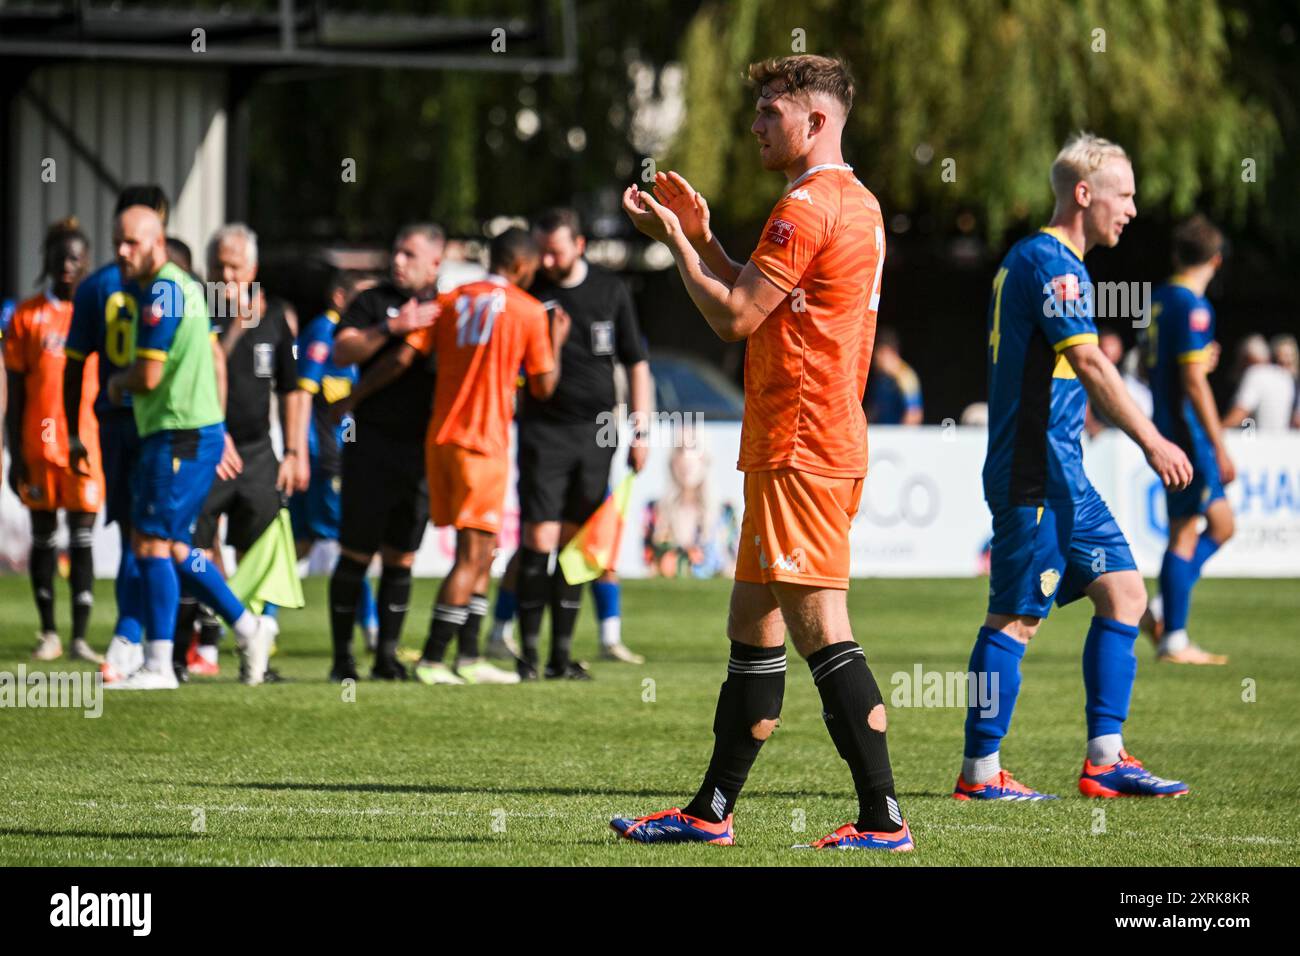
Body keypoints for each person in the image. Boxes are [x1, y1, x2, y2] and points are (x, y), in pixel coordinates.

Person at [615, 55, 912, 850]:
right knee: (754, 625)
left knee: (819, 626)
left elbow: (734, 318)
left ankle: (884, 818)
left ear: (815, 121)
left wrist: (675, 241)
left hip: (801, 442)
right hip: (803, 439)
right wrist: (706, 236)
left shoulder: (810, 204)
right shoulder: (852, 200)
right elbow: (758, 293)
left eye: (769, 113)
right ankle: (710, 812)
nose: (755, 125)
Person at [953, 132, 1195, 803]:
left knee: (1124, 593)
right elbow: (1090, 364)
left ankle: (1105, 760)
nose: (1134, 210)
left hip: (1064, 473)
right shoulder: (1052, 264)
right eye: (1125, 195)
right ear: (1084, 195)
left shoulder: (1037, 260)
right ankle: (980, 773)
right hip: (1036, 473)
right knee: (1014, 620)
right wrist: (1153, 440)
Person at [358, 229, 566, 685]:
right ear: (523, 266)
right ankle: (434, 658)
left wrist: (353, 397)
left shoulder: (451, 301)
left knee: (484, 549)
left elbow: (403, 360)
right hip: (482, 442)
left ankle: (469, 656)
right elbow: (545, 388)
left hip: (442, 438)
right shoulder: (529, 311)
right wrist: (557, 339)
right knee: (473, 555)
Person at [104, 205, 275, 690]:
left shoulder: (162, 291)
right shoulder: (183, 287)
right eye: (118, 240)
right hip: (190, 432)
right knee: (177, 546)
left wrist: (118, 385)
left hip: (178, 434)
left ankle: (159, 665)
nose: (121, 250)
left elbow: (150, 374)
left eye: (131, 242)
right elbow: (215, 360)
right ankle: (247, 627)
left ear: (157, 242)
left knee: (153, 543)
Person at [490, 208, 651, 680]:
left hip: (598, 432)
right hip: (542, 430)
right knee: (538, 538)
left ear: (578, 245)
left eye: (555, 251)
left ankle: (561, 657)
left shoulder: (610, 290)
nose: (547, 259)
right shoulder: (530, 289)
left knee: (578, 545)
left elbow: (636, 363)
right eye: (541, 251)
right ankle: (528, 656)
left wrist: (640, 431)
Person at [63, 185, 177, 682]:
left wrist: (72, 428)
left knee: (152, 537)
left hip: (135, 422)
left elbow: (73, 368)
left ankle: (145, 640)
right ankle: (143, 640)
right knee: (150, 537)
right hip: (155, 424)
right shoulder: (176, 286)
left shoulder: (98, 287)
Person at [185, 223, 308, 679]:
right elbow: (204, 368)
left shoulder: (275, 316)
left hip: (257, 450)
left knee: (262, 545)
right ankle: (196, 646)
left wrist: (294, 450)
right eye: (219, 265)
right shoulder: (195, 309)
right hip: (206, 446)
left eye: (235, 266)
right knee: (193, 542)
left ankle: (256, 644)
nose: (226, 274)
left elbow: (293, 388)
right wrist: (236, 321)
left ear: (252, 268)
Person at [327, 224, 443, 681]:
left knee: (401, 556)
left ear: (435, 263)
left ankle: (387, 657)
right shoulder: (371, 302)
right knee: (356, 553)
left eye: (409, 254)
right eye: (396, 251)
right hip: (371, 446)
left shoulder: (448, 309)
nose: (398, 261)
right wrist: (391, 327)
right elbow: (341, 351)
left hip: (421, 453)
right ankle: (342, 659)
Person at [3, 217, 102, 664]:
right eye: (60, 256)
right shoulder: (25, 316)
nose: (67, 264)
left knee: (82, 538)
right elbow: (17, 390)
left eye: (75, 258)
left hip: (86, 445)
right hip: (38, 445)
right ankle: (48, 633)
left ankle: (80, 637)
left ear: (86, 265)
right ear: (46, 260)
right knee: (43, 537)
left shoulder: (97, 314)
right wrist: (13, 449)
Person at [1139, 215, 1236, 665]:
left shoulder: (1157, 301)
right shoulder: (1194, 305)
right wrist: (1218, 444)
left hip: (1168, 424)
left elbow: (1146, 366)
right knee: (1183, 533)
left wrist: (1196, 363)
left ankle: (1162, 608)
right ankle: (1173, 638)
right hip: (1185, 433)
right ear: (1216, 260)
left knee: (1222, 525)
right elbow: (1193, 382)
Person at [289, 270, 380, 651]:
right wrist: (302, 452)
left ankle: (254, 623)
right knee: (349, 546)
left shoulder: (351, 339)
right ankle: (373, 631)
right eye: (360, 299)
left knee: (300, 544)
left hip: (327, 456)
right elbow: (302, 393)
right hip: (326, 459)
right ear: (341, 298)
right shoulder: (323, 333)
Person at [1222, 334, 1296, 434]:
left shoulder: (1255, 373)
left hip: (1257, 444)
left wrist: (1216, 429)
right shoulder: (1286, 378)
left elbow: (1239, 414)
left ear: (1247, 358)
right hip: (1280, 443)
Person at [864, 325, 923, 425]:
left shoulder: (906, 377)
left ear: (887, 352)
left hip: (896, 436)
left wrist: (899, 438)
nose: (875, 362)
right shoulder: (880, 379)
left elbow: (914, 414)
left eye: (877, 357)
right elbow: (874, 410)